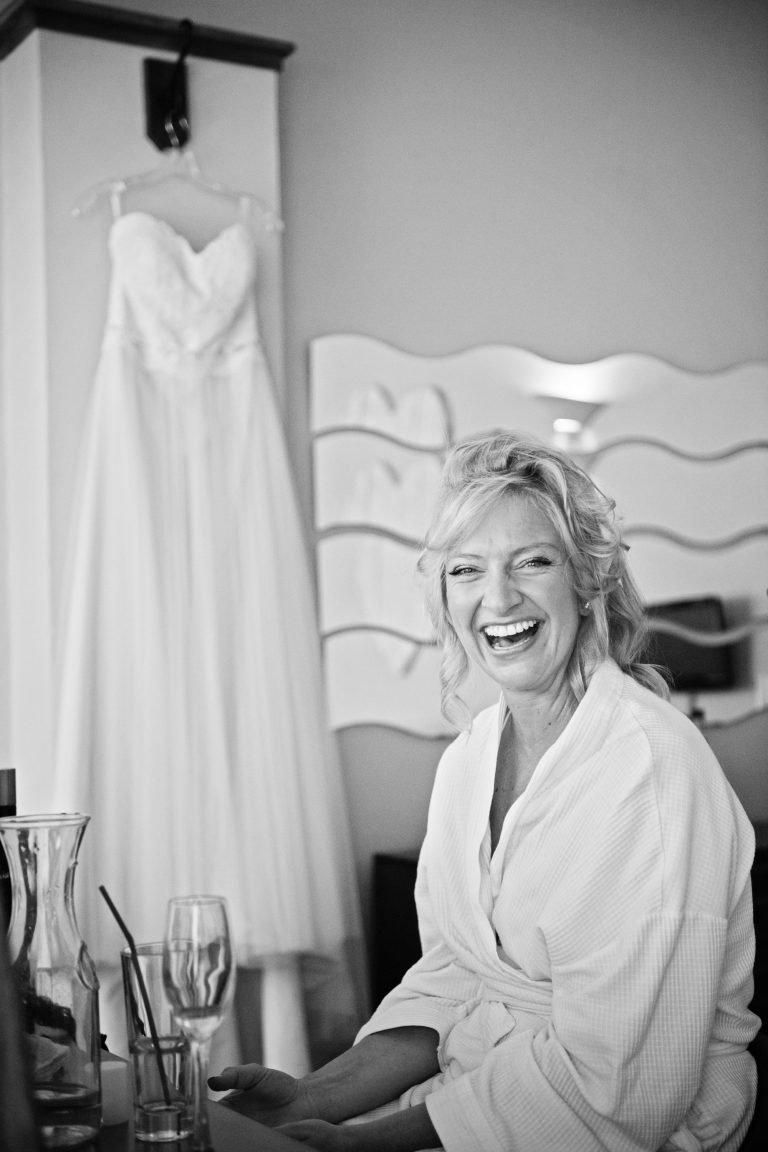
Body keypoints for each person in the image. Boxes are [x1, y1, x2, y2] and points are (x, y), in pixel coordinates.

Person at [209, 431, 760, 1151]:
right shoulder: (468, 760)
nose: (498, 598)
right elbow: (457, 976)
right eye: (467, 569)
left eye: (532, 561)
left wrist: (371, 1142)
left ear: (586, 581)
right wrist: (313, 1097)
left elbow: (621, 1083)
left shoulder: (649, 768)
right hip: (480, 1099)